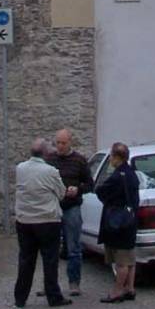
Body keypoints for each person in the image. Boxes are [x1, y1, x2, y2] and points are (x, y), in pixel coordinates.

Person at [12, 139, 71, 309]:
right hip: (47, 220)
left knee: (26, 260)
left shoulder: (20, 168)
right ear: (45, 154)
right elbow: (61, 193)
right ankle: (53, 296)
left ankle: (20, 297)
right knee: (50, 260)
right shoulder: (51, 171)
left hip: (25, 221)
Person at [95, 142, 141, 304]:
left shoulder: (116, 177)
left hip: (118, 222)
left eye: (111, 156)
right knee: (130, 258)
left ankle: (117, 291)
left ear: (116, 157)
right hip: (131, 220)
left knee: (121, 260)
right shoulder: (132, 174)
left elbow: (101, 191)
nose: (110, 160)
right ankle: (130, 288)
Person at [51, 127, 94, 297]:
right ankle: (51, 283)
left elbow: (90, 184)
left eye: (63, 143)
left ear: (70, 143)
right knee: (51, 248)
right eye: (58, 143)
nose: (60, 146)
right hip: (53, 207)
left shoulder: (80, 160)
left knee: (74, 247)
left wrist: (78, 189)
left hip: (72, 207)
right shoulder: (50, 160)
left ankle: (74, 282)